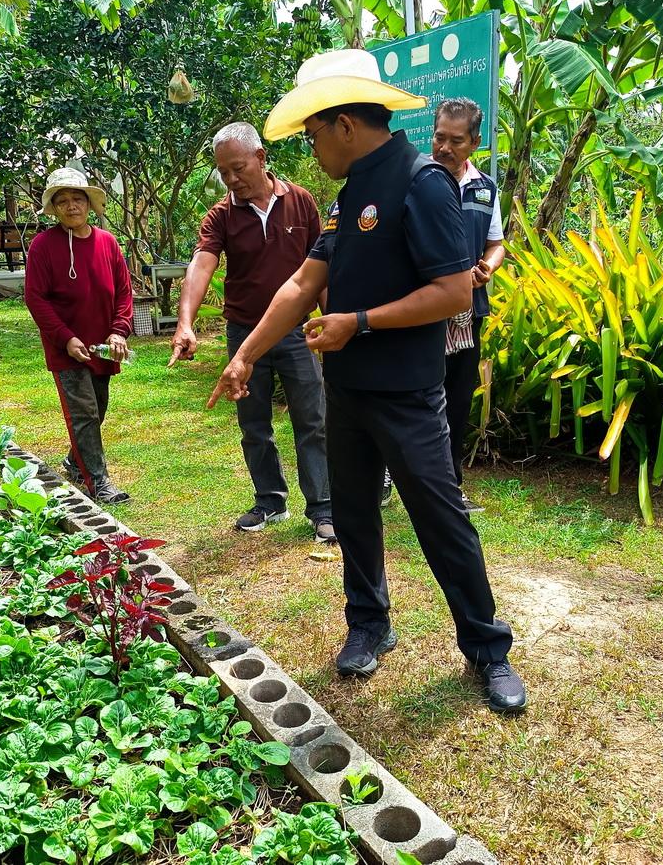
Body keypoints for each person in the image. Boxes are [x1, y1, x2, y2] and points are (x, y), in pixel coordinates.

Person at [207, 50, 526, 714]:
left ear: (345, 123)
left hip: (406, 394)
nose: (313, 146)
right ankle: (369, 624)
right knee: (353, 514)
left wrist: (358, 322)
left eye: (314, 134)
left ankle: (487, 649)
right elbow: (304, 282)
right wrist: (246, 355)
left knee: (441, 520)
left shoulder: (423, 183)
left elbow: (453, 293)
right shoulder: (349, 196)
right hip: (346, 391)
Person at [170, 122, 334, 544]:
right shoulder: (221, 215)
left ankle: (322, 507)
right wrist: (185, 322)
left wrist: (333, 323)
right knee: (253, 421)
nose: (231, 179)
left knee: (312, 419)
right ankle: (270, 500)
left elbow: (323, 269)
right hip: (244, 336)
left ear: (261, 158)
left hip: (297, 331)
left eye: (238, 168)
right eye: (223, 172)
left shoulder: (301, 202)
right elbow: (202, 264)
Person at [25, 166, 133, 505]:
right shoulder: (43, 246)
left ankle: (75, 460)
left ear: (89, 204)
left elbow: (123, 293)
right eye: (63, 201)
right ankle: (98, 481)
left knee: (98, 409)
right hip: (67, 349)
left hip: (102, 347)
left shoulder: (108, 243)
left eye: (77, 199)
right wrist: (65, 338)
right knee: (84, 413)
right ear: (54, 209)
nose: (71, 206)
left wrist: (119, 331)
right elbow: (36, 298)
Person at [431, 98, 505, 515]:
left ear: (475, 142)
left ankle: (451, 484)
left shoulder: (485, 188)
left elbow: (495, 243)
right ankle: (391, 474)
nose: (445, 148)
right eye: (440, 137)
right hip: (419, 313)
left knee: (457, 399)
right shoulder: (417, 180)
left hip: (467, 312)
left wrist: (487, 267)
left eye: (456, 141)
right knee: (414, 396)